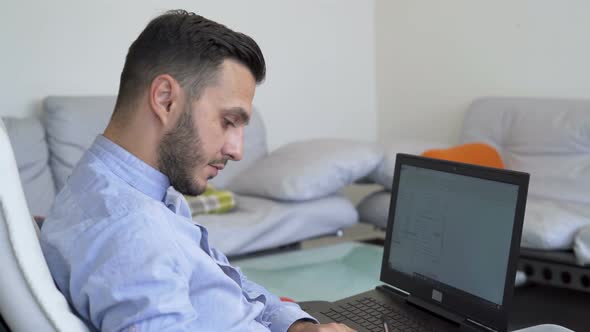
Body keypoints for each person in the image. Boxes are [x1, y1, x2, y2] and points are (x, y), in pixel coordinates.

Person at [40, 9, 356, 332]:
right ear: (165, 100)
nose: (237, 150)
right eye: (228, 121)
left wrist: (296, 327)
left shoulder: (123, 189)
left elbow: (226, 283)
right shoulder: (133, 232)